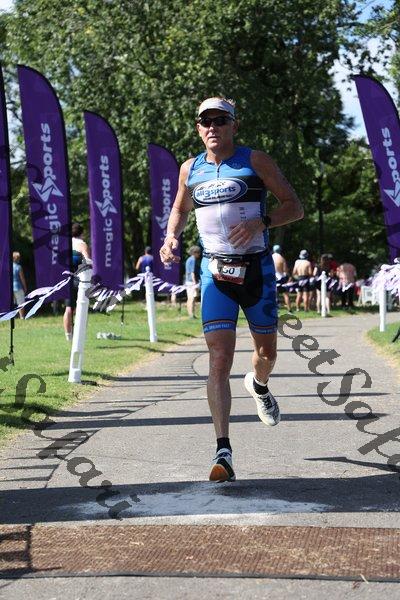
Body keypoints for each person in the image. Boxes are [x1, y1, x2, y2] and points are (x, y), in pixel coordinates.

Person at [160, 96, 303, 482]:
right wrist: (171, 237)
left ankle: (259, 385)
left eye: (220, 120)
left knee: (266, 353)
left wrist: (262, 222)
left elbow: (295, 206)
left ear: (234, 125)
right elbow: (180, 209)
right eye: (205, 121)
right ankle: (223, 449)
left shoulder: (256, 161)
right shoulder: (190, 168)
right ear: (198, 129)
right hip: (215, 273)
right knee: (219, 359)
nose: (213, 127)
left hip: (256, 270)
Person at [64, 223, 91, 341]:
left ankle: (68, 336)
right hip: (79, 279)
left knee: (68, 308)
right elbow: (88, 261)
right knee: (81, 306)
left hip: (66, 279)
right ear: (81, 233)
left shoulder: (64, 244)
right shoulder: (82, 244)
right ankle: (79, 334)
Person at [272, 244, 291, 312]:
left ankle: (275, 309)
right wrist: (288, 276)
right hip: (281, 278)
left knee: (273, 294)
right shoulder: (281, 258)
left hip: (272, 277)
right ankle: (289, 309)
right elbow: (285, 270)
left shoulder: (270, 257)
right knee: (285, 294)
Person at [185, 245, 202, 318]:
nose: (199, 254)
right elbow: (192, 272)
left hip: (188, 281)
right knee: (192, 298)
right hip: (192, 282)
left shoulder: (189, 259)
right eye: (198, 252)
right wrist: (195, 282)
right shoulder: (193, 260)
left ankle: (191, 314)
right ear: (195, 252)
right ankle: (191, 315)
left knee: (190, 298)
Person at [12, 251, 27, 318]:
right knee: (21, 303)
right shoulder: (18, 267)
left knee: (13, 303)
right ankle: (21, 316)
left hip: (11, 287)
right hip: (18, 287)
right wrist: (25, 287)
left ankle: (13, 316)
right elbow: (22, 278)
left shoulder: (9, 267)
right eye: (18, 258)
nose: (19, 259)